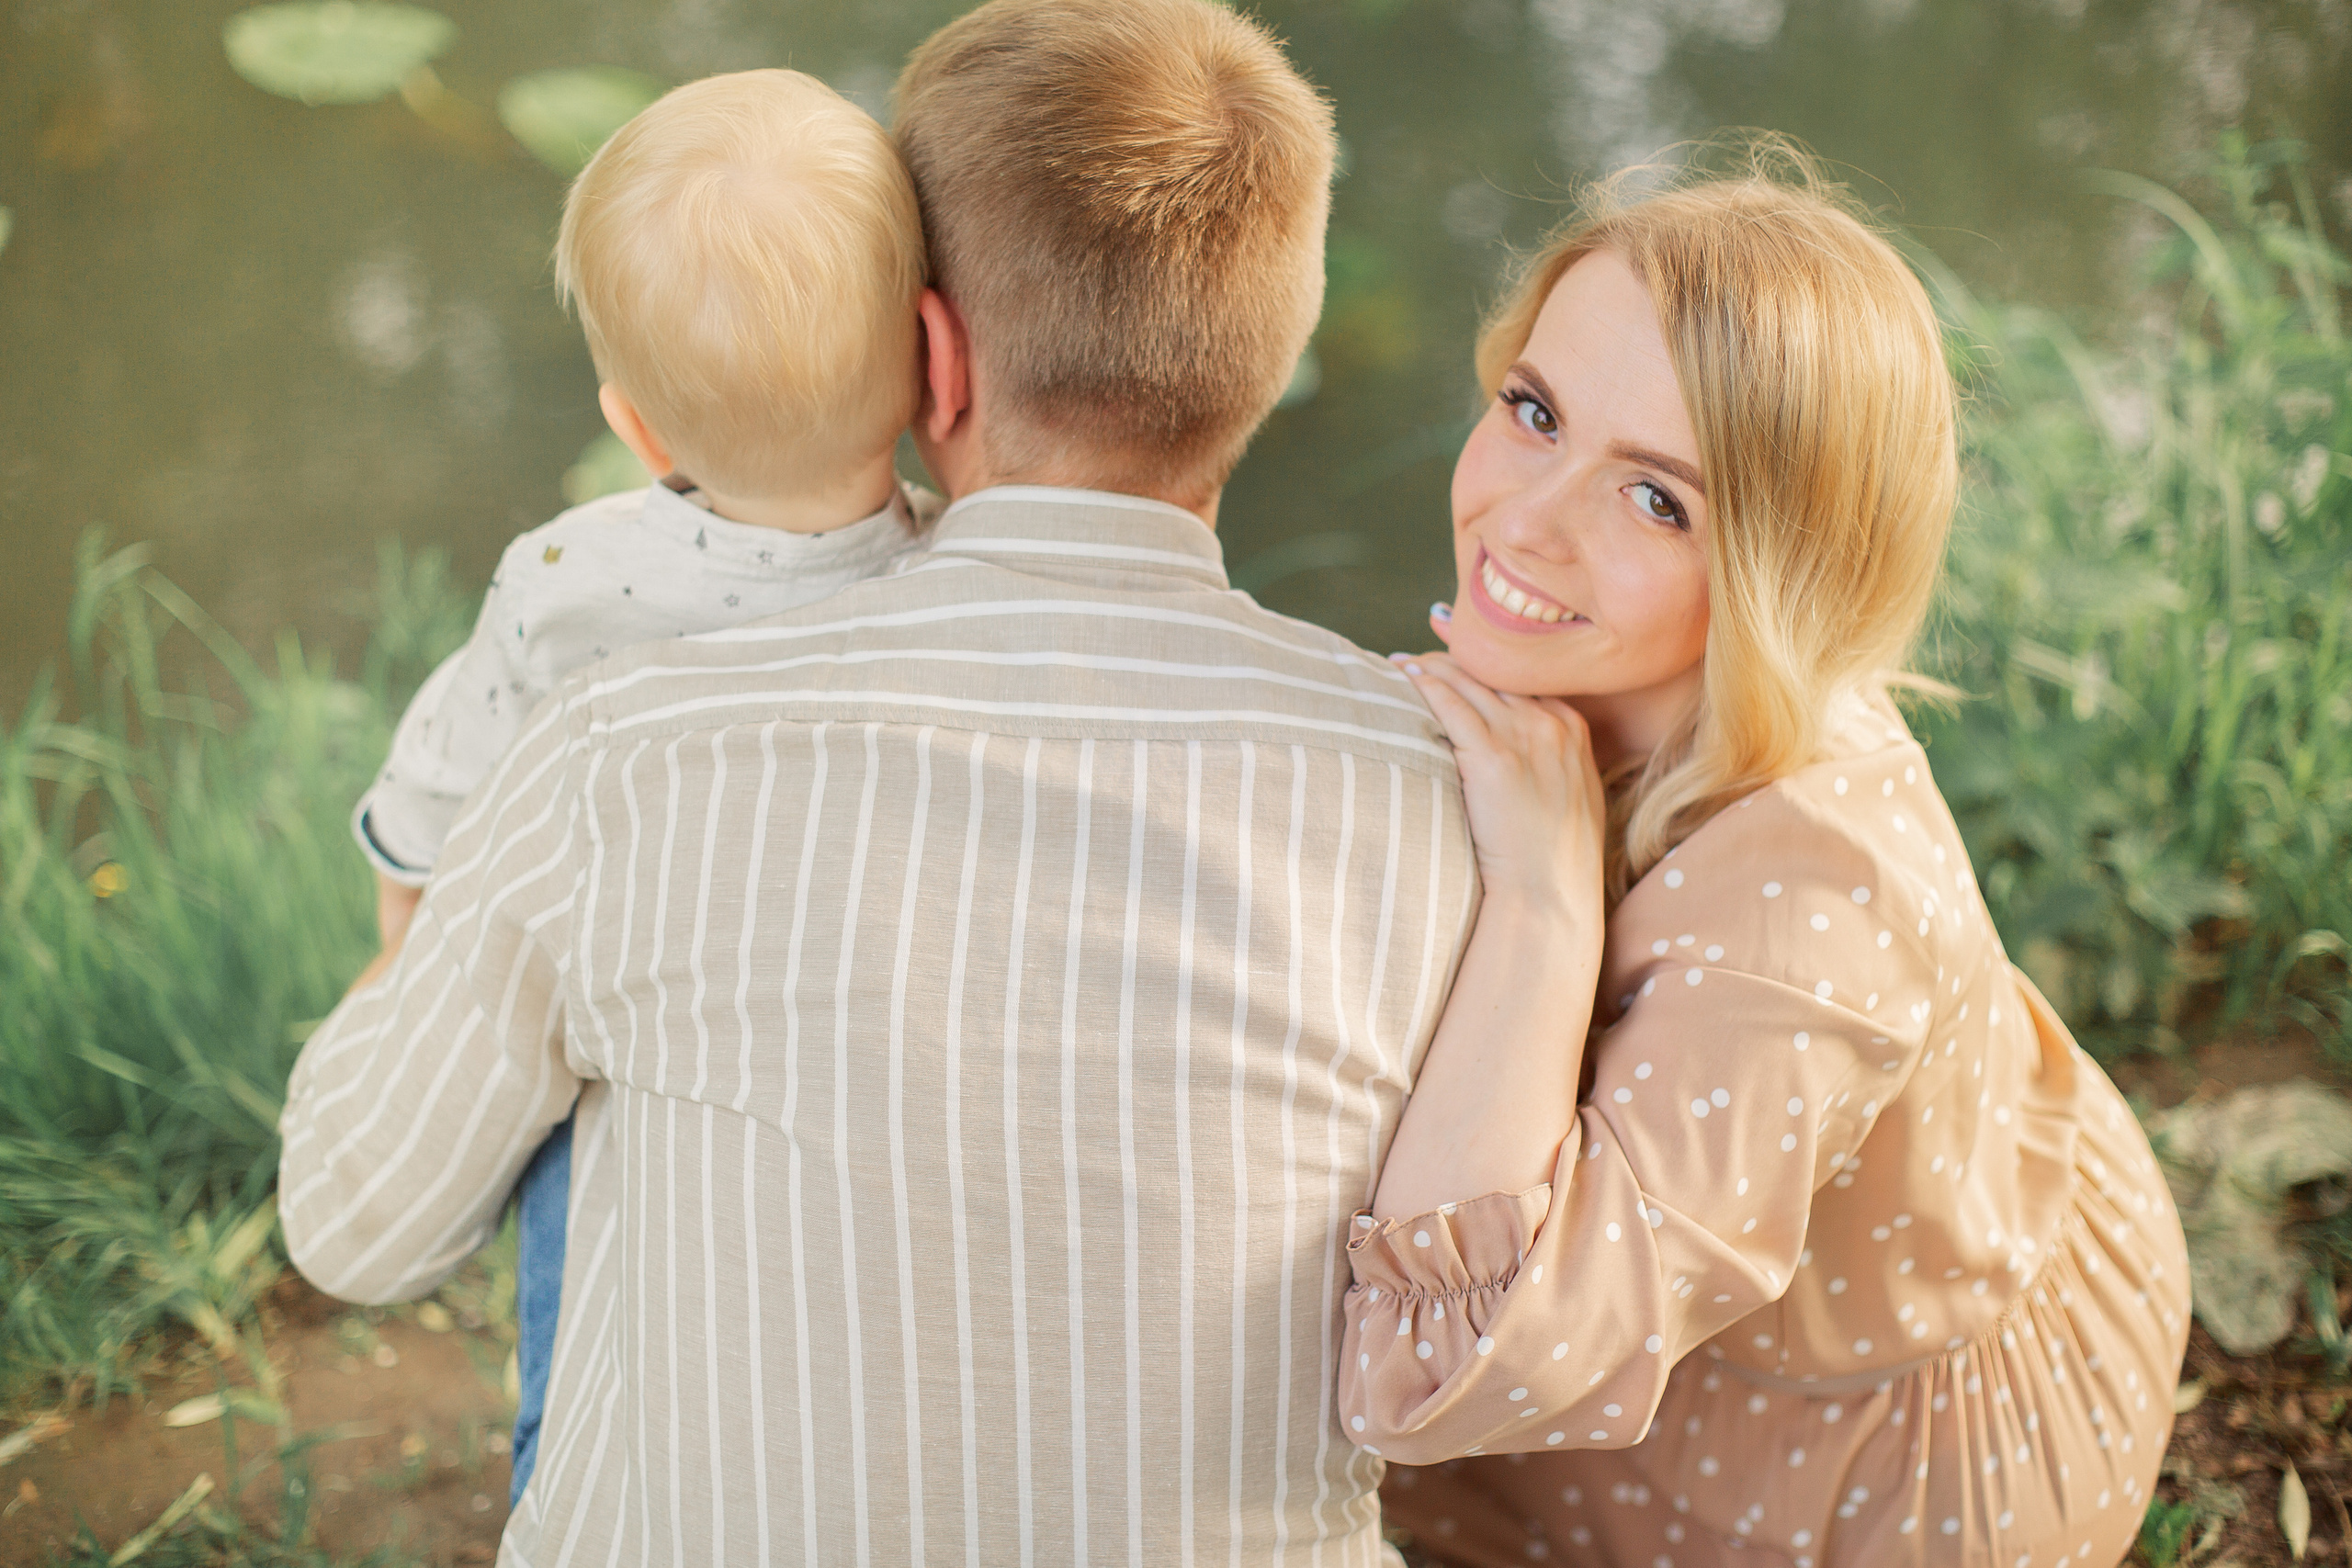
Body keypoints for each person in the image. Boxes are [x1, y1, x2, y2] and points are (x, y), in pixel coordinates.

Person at [278, 1, 1476, 1561]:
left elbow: (352, 1226)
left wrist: (419, 955)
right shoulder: (1436, 790)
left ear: (931, 355)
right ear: (1277, 342)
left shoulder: (629, 753)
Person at [1340, 158, 2190, 1568]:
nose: (1529, 520)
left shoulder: (1803, 907)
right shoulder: (1608, 670)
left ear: (1781, 579)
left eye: (1657, 501)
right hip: (1821, 1261)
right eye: (1535, 411)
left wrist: (1552, 901)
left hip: (1874, 1469)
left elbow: (1445, 1375)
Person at [342, 68, 937, 1502]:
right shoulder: (957, 577)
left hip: (610, 1045)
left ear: (637, 425)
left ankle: (575, 1493)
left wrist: (405, 979)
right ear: (935, 364)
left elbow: (427, 808)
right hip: (867, 1067)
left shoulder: (564, 585)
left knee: (584, 1289)